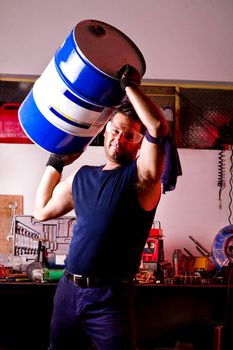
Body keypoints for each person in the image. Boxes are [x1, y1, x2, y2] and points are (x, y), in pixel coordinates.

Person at [33, 65, 169, 350]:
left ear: (139, 143)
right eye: (116, 130)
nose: (119, 139)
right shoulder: (82, 176)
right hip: (68, 291)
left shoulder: (142, 179)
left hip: (110, 298)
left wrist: (129, 86)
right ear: (105, 131)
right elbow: (41, 211)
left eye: (130, 136)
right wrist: (55, 163)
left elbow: (158, 127)